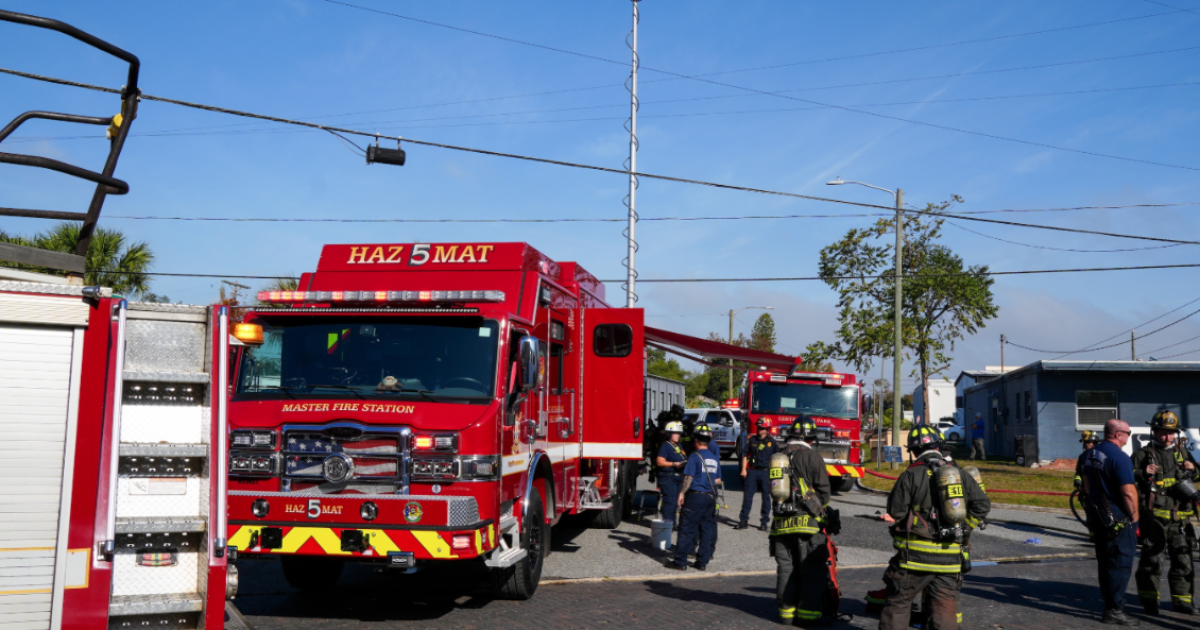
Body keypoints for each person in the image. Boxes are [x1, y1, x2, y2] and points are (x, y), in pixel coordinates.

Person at [878, 425, 990, 630]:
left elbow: (897, 512)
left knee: (899, 603)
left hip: (914, 558)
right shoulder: (959, 473)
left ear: (913, 451)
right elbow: (982, 505)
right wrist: (965, 528)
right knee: (945, 607)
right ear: (940, 446)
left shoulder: (910, 475)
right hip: (949, 557)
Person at [771, 417, 834, 627]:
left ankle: (786, 616)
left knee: (786, 570)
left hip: (780, 526)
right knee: (811, 572)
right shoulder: (813, 457)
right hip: (807, 526)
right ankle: (808, 618)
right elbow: (824, 494)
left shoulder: (779, 456)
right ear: (811, 438)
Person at [1132, 410, 1196, 616]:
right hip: (1154, 520)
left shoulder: (1182, 453)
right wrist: (1142, 473)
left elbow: (1197, 474)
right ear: (1154, 432)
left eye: (1171, 433)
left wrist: (1193, 469)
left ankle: (1183, 602)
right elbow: (1125, 479)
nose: (1167, 437)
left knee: (1184, 562)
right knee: (1152, 562)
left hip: (1180, 522)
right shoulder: (1143, 454)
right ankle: (1150, 604)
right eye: (1162, 432)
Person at [1081, 419, 1141, 627]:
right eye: (1128, 433)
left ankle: (1109, 604)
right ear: (1118, 434)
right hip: (1118, 518)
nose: (1128, 437)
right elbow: (1128, 491)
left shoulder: (1090, 455)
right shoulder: (1120, 458)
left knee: (1105, 562)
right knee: (1120, 563)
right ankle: (1114, 609)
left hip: (1098, 516)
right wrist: (1135, 517)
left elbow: (1087, 486)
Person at [669, 423, 722, 571]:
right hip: (710, 498)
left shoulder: (694, 456)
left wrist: (681, 493)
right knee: (706, 530)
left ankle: (680, 562)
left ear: (696, 441)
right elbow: (717, 479)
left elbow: (689, 477)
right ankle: (702, 562)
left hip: (695, 497)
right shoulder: (714, 458)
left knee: (687, 529)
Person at [736, 418, 780, 531]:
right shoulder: (752, 440)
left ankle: (764, 522)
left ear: (767, 429)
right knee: (747, 497)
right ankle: (743, 520)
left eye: (761, 428)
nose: (759, 429)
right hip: (752, 471)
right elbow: (745, 455)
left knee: (766, 498)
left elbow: (777, 459)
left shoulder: (772, 443)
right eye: (758, 427)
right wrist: (743, 470)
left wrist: (776, 476)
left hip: (766, 472)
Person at [655, 420, 688, 526]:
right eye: (676, 433)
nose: (678, 435)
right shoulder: (666, 446)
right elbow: (660, 461)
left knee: (675, 503)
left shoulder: (679, 446)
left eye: (679, 433)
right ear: (670, 434)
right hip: (668, 477)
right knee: (670, 501)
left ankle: (673, 523)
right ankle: (667, 524)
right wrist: (674, 464)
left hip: (679, 477)